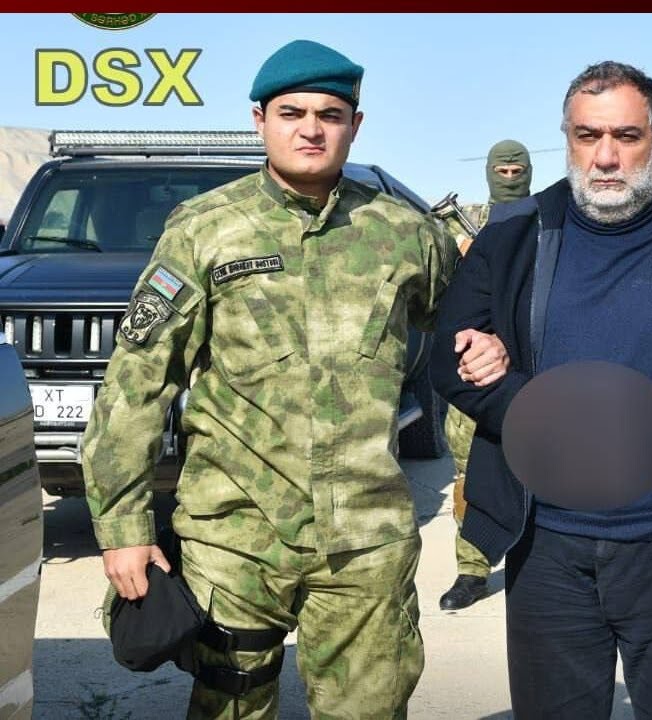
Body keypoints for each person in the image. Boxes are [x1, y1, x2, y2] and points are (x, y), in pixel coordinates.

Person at [81, 39, 455, 719]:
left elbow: (469, 335)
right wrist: (124, 527)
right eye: (292, 113)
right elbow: (136, 383)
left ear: (355, 125)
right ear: (260, 121)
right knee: (230, 707)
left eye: (330, 114)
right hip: (234, 538)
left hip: (365, 542)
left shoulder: (407, 234)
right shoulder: (205, 231)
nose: (311, 129)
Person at [429, 60, 652, 718]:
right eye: (587, 136)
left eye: (626, 136)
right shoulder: (512, 236)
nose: (605, 157)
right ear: (567, 140)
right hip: (545, 547)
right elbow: (447, 360)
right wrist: (544, 414)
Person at [439, 139, 533, 611]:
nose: (509, 178)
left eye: (517, 171)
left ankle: (534, 561)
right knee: (469, 471)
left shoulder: (548, 217)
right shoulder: (460, 221)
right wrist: (461, 257)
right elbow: (433, 289)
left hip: (532, 361)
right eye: (502, 171)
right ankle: (472, 569)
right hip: (474, 367)